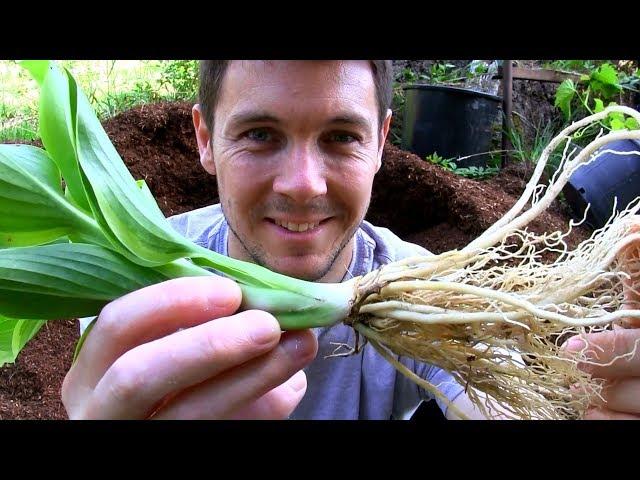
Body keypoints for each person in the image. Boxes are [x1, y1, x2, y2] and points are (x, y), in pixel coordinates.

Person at [62, 60, 640, 420]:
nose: (302, 186)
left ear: (382, 142)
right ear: (205, 138)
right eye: (260, 134)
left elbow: (488, 394)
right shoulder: (142, 283)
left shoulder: (423, 290)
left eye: (341, 136)